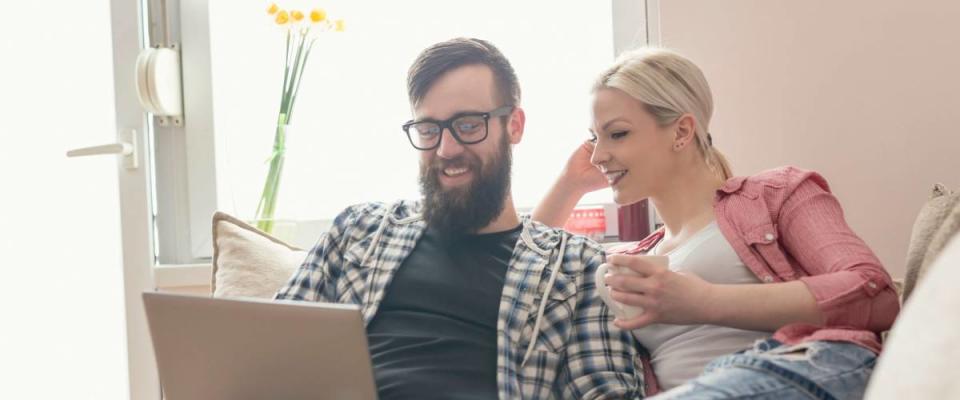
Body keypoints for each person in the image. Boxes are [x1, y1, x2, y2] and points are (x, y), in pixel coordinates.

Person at [275, 38, 641, 399]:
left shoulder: (577, 267)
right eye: (429, 130)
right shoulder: (358, 232)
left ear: (514, 125)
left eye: (467, 125)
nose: (446, 150)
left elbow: (606, 391)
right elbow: (265, 349)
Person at [533, 48, 900, 399]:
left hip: (792, 370)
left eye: (618, 133)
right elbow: (524, 271)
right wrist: (570, 184)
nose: (598, 155)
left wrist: (705, 301)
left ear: (681, 132)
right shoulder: (634, 258)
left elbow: (875, 293)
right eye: (594, 138)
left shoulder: (775, 194)